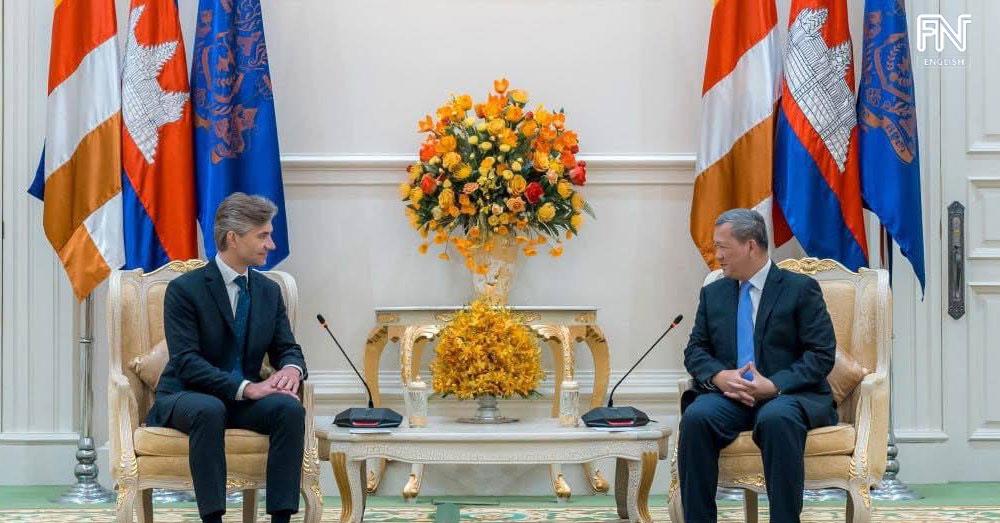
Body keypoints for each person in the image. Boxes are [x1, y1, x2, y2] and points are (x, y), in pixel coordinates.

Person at [146, 193, 307, 523]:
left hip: (241, 401)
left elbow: (287, 347)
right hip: (187, 394)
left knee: (289, 409)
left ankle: (281, 519)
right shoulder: (185, 290)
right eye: (263, 235)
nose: (271, 245)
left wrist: (292, 369)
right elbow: (187, 362)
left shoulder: (268, 291)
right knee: (209, 409)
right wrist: (248, 388)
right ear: (233, 238)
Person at [678, 208, 838, 523]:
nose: (717, 255)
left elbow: (821, 354)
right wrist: (719, 376)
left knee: (777, 418)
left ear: (750, 245)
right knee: (696, 418)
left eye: (723, 247)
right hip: (730, 397)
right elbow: (695, 350)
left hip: (787, 395)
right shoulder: (713, 293)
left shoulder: (799, 289)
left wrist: (774, 385)